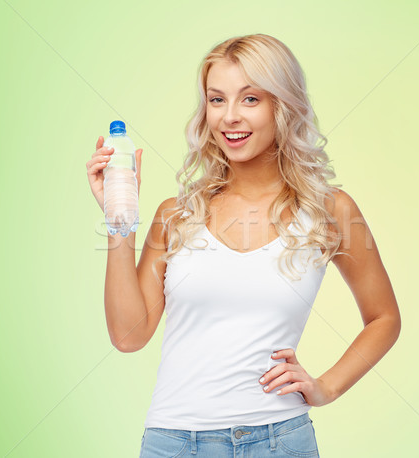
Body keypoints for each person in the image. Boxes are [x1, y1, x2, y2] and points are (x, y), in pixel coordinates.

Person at [86, 33, 401, 458]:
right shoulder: (175, 214)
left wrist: (325, 387)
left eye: (250, 99)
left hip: (279, 440)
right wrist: (117, 217)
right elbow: (128, 336)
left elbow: (384, 318)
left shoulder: (330, 210)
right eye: (217, 100)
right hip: (176, 442)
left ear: (282, 106)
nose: (229, 117)